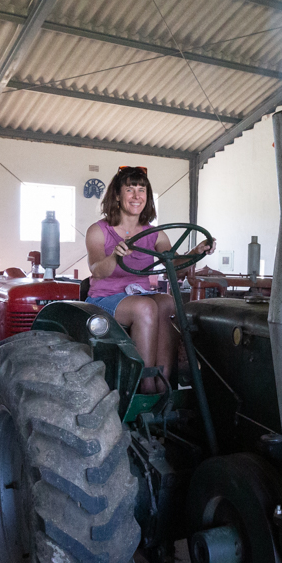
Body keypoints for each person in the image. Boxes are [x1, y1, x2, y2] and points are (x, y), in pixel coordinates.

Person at [85, 166, 213, 393]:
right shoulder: (99, 231)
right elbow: (96, 270)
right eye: (130, 189)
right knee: (145, 307)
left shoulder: (155, 234)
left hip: (140, 295)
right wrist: (115, 255)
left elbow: (174, 265)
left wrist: (196, 251)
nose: (136, 196)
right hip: (106, 298)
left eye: (141, 190)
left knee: (166, 302)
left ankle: (162, 384)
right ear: (117, 194)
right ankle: (145, 385)